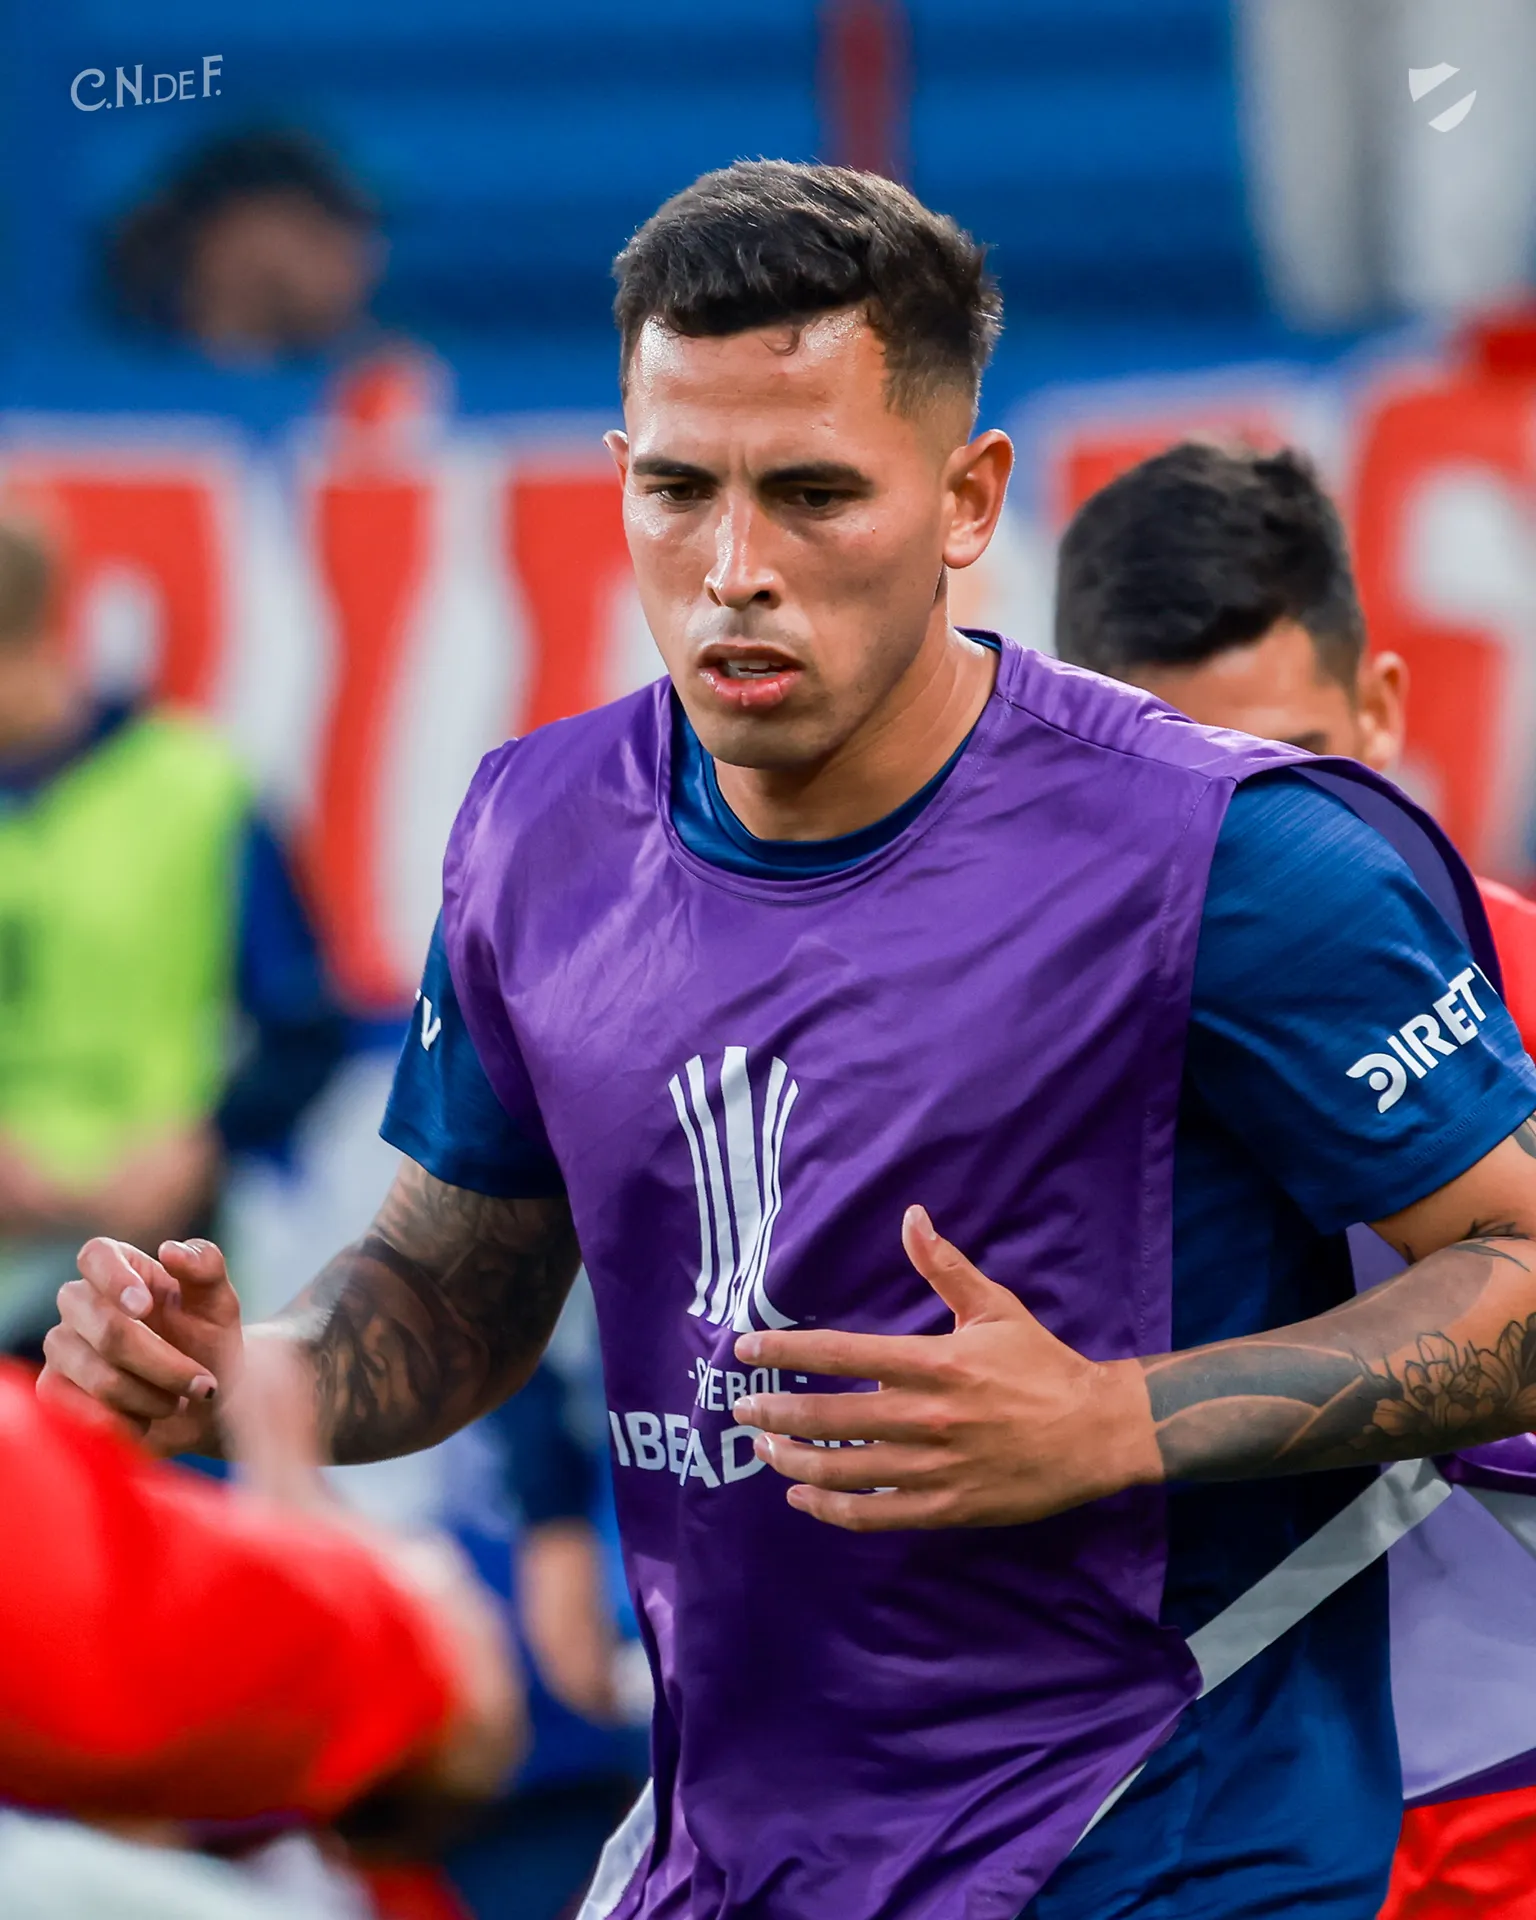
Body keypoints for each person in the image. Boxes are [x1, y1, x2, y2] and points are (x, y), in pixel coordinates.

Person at [38, 161, 1536, 1920]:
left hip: (1159, 1852)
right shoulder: (536, 832)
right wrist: (250, 1373)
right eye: (679, 491)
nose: (735, 570)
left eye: (815, 494)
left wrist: (1117, 1421)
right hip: (737, 1855)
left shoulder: (1236, 855)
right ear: (620, 475)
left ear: (968, 500)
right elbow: (453, 1293)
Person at [1051, 439, 1536, 1919]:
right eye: (1180, 792)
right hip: (1178, 1828)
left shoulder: (1521, 987)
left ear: (1382, 707)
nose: (1246, 848)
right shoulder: (1013, 1059)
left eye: (1291, 772)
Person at [0, 513, 347, 1353]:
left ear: (34, 634)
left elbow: (303, 1027)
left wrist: (203, 1141)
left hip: (156, 1257)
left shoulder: (199, 790)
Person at [107, 129, 384, 367]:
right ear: (220, 238)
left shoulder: (375, 380)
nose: (359, 262)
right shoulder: (119, 386)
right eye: (313, 233)